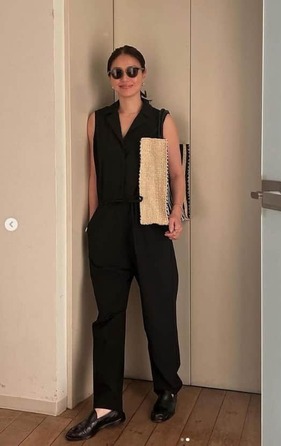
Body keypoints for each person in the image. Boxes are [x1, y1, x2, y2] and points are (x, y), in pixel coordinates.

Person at [66, 45, 185, 441]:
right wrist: (93, 222)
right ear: (110, 79)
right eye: (117, 72)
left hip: (151, 225)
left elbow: (177, 173)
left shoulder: (160, 119)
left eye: (132, 70)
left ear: (143, 74)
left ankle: (166, 389)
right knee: (108, 317)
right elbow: (94, 176)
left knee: (159, 312)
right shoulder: (96, 121)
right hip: (108, 228)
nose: (125, 77)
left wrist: (176, 212)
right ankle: (106, 407)